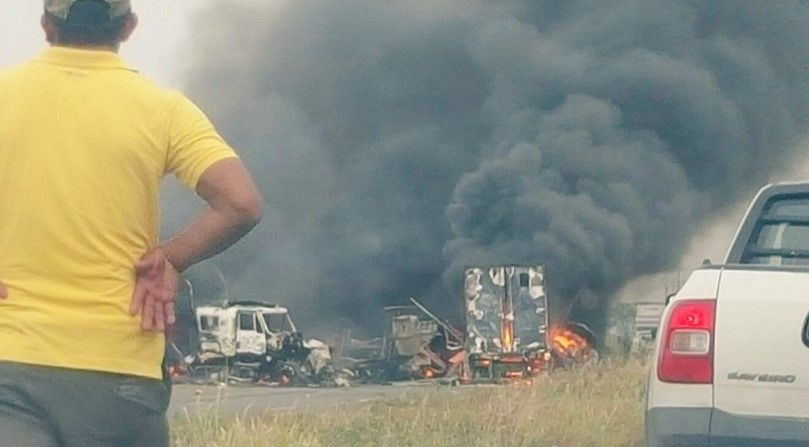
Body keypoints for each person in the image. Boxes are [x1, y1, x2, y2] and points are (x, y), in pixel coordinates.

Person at [0, 1, 263, 445]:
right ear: (128, 26)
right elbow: (241, 203)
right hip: (120, 368)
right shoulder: (164, 109)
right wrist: (172, 260)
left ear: (46, 25)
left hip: (10, 366)